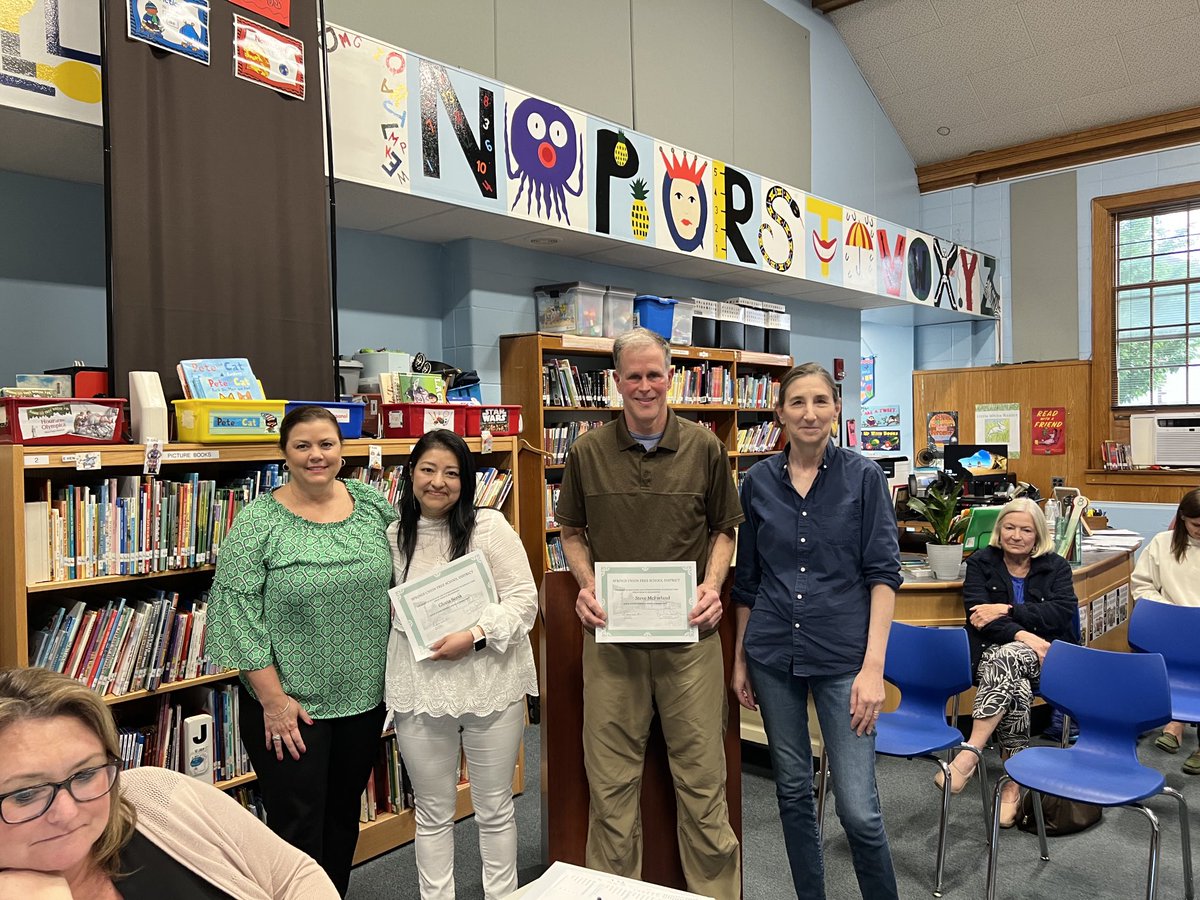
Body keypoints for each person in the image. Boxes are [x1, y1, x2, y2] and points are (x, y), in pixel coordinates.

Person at [556, 327, 743, 898]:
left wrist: (713, 587)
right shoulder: (587, 452)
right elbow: (571, 530)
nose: (644, 386)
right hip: (612, 643)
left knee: (704, 788)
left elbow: (724, 529)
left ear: (670, 378)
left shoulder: (705, 448)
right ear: (616, 382)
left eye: (654, 374)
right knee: (610, 791)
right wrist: (586, 586)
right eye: (632, 376)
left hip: (689, 643)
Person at [207, 405, 397, 895]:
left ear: (342, 450)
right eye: (303, 446)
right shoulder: (257, 522)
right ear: (284, 454)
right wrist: (272, 702)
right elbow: (236, 614)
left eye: (326, 444)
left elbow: (416, 559)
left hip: (363, 699)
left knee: (341, 819)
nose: (317, 455)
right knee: (297, 830)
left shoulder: (372, 504)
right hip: (291, 709)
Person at [731, 362, 902, 900]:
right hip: (772, 652)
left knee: (858, 808)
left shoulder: (864, 476)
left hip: (844, 658)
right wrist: (739, 659)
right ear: (779, 412)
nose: (809, 413)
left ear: (836, 411)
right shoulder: (756, 482)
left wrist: (873, 668)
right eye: (797, 402)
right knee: (792, 792)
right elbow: (748, 582)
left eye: (820, 402)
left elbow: (883, 575)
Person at [0, 666, 338, 899]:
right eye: (26, 794)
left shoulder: (155, 793)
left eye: (86, 774)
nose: (67, 811)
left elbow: (294, 875)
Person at [385, 429, 538, 900]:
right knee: (432, 813)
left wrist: (472, 636)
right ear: (411, 473)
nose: (438, 482)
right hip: (421, 690)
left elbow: (524, 601)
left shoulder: (488, 527)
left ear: (466, 481)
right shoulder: (392, 535)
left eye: (452, 473)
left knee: (494, 808)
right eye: (428, 469)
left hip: (490, 681)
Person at [940, 496, 1078, 827]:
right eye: (1009, 527)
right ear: (999, 529)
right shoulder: (980, 562)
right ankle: (1013, 785)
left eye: (1025, 530)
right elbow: (977, 615)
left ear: (1038, 535)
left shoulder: (1055, 566)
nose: (1015, 535)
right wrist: (1024, 635)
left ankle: (971, 750)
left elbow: (1062, 611)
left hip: (1047, 659)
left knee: (1006, 660)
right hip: (994, 652)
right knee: (1011, 676)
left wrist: (1007, 609)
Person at [1134, 488, 1200, 771]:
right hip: (1171, 626)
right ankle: (1175, 724)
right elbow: (1142, 585)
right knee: (1171, 665)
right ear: (1183, 518)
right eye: (1197, 525)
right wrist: (1168, 610)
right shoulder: (1163, 543)